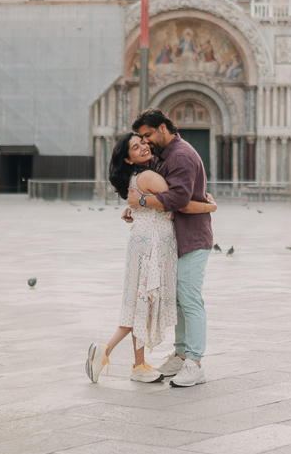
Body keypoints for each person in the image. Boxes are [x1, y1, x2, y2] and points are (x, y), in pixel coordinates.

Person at [87, 133, 216, 384]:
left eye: (143, 142)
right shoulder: (147, 176)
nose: (144, 147)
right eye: (136, 147)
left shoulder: (142, 176)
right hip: (152, 244)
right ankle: (107, 351)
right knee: (142, 300)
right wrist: (210, 206)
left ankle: (138, 364)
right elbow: (180, 202)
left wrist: (137, 207)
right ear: (128, 158)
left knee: (141, 300)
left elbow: (156, 202)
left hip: (146, 240)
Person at [130, 107, 213, 387]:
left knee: (190, 300)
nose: (146, 141)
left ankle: (195, 362)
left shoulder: (180, 155)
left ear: (164, 127)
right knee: (178, 300)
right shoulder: (165, 156)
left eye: (149, 134)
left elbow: (179, 199)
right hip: (176, 239)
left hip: (192, 239)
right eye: (141, 137)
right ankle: (180, 354)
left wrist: (141, 203)